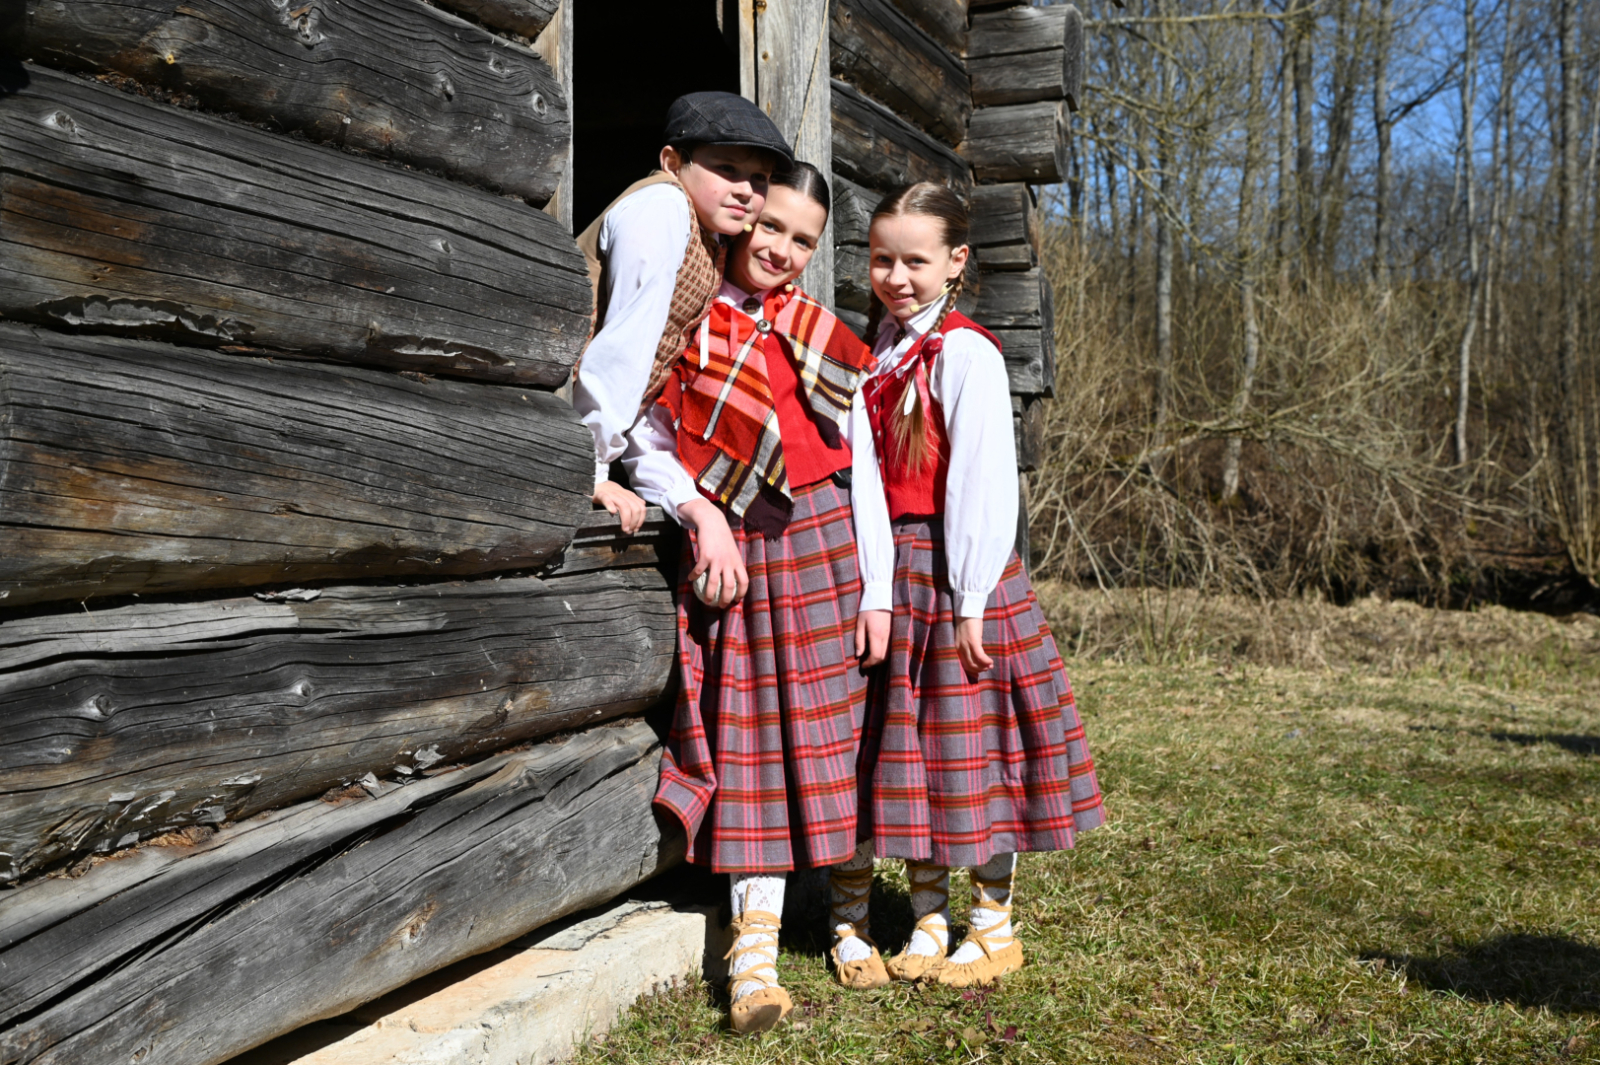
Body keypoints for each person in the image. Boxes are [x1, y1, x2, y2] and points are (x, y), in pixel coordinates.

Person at [626, 164, 889, 1034]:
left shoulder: (823, 332)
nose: (780, 249)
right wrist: (703, 515)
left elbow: (869, 476)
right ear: (744, 223)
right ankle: (755, 955)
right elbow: (647, 438)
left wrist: (877, 588)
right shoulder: (694, 326)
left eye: (803, 239)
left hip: (828, 548)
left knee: (846, 733)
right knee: (756, 742)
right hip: (743, 549)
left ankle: (850, 919)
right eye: (770, 227)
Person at [837, 181, 1106, 988]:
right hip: (901, 575)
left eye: (915, 261)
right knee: (908, 747)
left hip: (961, 574)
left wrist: (971, 598)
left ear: (956, 262)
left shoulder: (966, 351)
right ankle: (926, 917)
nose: (896, 276)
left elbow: (982, 486)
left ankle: (991, 927)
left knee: (971, 749)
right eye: (882, 259)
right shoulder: (877, 349)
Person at [572, 91, 793, 535]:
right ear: (674, 163)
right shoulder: (662, 208)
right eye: (727, 169)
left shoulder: (708, 238)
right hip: (558, 427)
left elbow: (652, 374)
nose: (747, 190)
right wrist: (588, 470)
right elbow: (624, 348)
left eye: (760, 178)